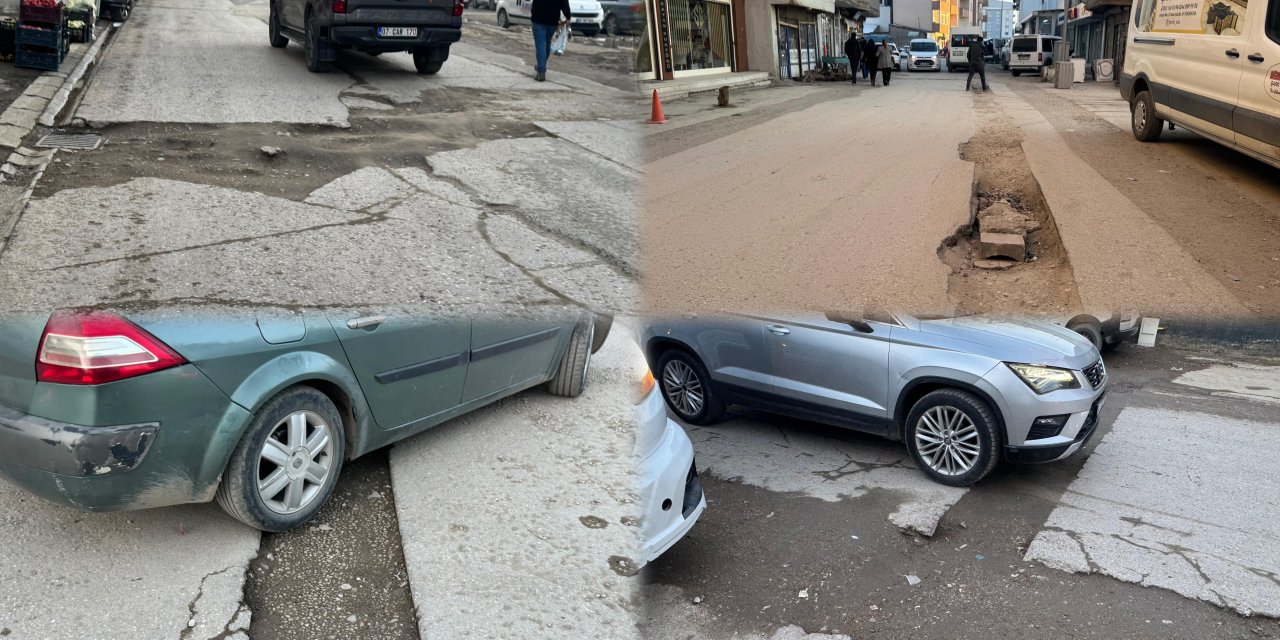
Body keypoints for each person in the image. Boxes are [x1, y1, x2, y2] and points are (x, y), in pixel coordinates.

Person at [530, 0, 571, 81]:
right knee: (547, 43)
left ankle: (541, 70)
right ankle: (541, 66)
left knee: (541, 44)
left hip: (538, 18)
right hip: (552, 20)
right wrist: (568, 16)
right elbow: (564, 3)